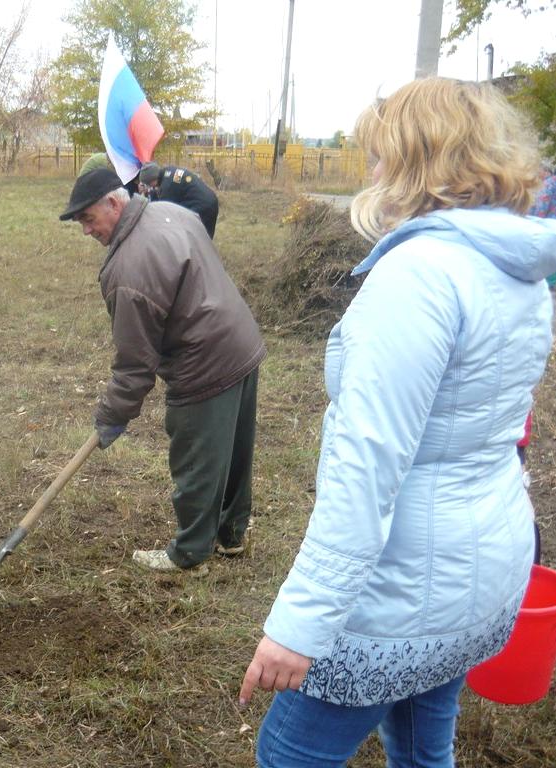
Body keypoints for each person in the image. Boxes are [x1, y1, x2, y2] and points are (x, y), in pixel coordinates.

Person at [238, 77, 556, 767]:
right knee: (421, 748)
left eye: (379, 156)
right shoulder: (519, 267)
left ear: (417, 160)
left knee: (290, 756)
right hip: (482, 566)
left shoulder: (418, 275)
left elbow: (365, 469)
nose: (371, 172)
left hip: (400, 591)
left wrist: (300, 627)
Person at [59, 168, 266, 573]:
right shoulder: (170, 211)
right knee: (235, 451)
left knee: (197, 459)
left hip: (203, 360)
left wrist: (110, 418)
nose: (86, 231)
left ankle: (190, 554)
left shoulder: (129, 268)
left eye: (87, 218)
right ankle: (230, 536)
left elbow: (135, 366)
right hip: (241, 340)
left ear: (115, 203)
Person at [138, 161, 219, 238]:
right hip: (210, 200)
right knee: (205, 238)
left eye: (149, 184)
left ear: (153, 179)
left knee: (195, 238)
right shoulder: (168, 172)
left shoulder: (167, 187)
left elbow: (164, 213)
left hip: (202, 206)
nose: (150, 186)